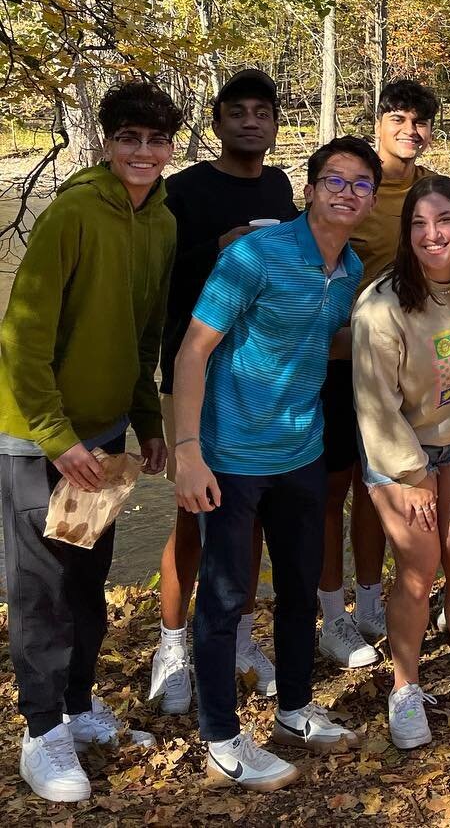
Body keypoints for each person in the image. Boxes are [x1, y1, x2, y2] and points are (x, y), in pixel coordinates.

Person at [172, 136, 381, 791]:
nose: (348, 193)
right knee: (227, 596)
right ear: (312, 189)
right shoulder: (255, 256)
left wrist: (404, 348)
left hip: (304, 448)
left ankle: (293, 708)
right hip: (231, 455)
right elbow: (192, 352)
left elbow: (324, 341)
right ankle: (222, 736)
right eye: (336, 180)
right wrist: (186, 450)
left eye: (361, 184)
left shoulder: (348, 268)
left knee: (299, 588)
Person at [0, 81, 179, 803]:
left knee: (85, 580)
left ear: (170, 146)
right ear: (107, 142)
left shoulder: (160, 222)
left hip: (101, 440)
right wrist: (53, 435)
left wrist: (149, 422)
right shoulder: (73, 213)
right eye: (129, 138)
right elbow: (22, 337)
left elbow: (143, 334)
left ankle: (77, 705)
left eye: (155, 139)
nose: (142, 152)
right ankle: (41, 733)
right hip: (33, 439)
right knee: (39, 588)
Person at [150, 69, 296, 717]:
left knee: (250, 514)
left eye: (261, 111)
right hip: (195, 373)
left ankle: (239, 633)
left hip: (262, 377)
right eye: (236, 111)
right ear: (216, 122)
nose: (249, 121)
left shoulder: (279, 185)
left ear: (273, 123)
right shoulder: (182, 190)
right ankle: (172, 645)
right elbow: (157, 278)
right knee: (193, 512)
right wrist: (220, 248)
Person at [351, 175, 450, 749]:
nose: (432, 234)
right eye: (418, 225)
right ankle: (406, 687)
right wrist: (415, 474)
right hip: (398, 448)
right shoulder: (383, 305)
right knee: (419, 572)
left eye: (443, 220)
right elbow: (374, 404)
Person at [318, 79, 439, 667]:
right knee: (332, 487)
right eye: (398, 118)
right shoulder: (352, 190)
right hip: (341, 361)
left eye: (420, 121)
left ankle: (369, 602)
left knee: (378, 486)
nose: (409, 131)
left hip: (409, 366)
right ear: (379, 123)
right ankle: (331, 613)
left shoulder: (431, 191)